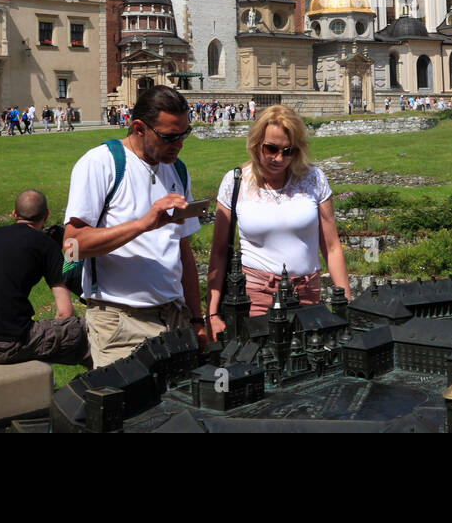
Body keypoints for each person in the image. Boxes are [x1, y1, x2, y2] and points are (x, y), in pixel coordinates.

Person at [64, 85, 205, 367]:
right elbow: (70, 249)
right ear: (139, 128)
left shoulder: (177, 169)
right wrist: (142, 224)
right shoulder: (101, 163)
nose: (179, 143)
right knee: (128, 408)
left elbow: (182, 250)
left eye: (184, 134)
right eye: (169, 136)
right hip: (120, 322)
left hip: (174, 317)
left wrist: (197, 319)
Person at [206, 105, 350, 338]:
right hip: (255, 297)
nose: (278, 158)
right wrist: (211, 314)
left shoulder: (314, 179)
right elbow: (219, 252)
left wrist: (346, 302)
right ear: (256, 144)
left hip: (307, 294)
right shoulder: (235, 182)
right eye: (271, 148)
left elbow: (332, 247)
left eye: (288, 151)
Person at [0, 189, 89, 367]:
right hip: (5, 345)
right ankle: (98, 389)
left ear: (14, 214)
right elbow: (64, 312)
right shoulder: (45, 245)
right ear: (46, 215)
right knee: (83, 331)